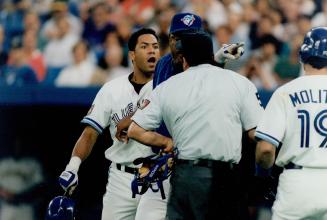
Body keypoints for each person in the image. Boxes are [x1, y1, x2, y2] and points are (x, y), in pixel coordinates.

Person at [115, 12, 245, 220]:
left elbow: (206, 86)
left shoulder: (206, 70)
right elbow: (160, 100)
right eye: (181, 38)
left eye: (192, 38)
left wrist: (218, 61)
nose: (185, 44)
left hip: (194, 165)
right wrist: (135, 116)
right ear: (172, 39)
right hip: (164, 164)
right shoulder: (163, 65)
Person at [58, 28, 160, 220]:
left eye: (155, 47)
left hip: (158, 177)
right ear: (132, 54)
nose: (152, 51)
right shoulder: (112, 88)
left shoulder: (167, 87)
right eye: (144, 47)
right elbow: (90, 133)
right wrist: (73, 166)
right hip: (120, 177)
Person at [255, 27, 327, 219]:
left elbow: (266, 149)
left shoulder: (285, 91)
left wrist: (265, 174)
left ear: (303, 58)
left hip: (298, 182)